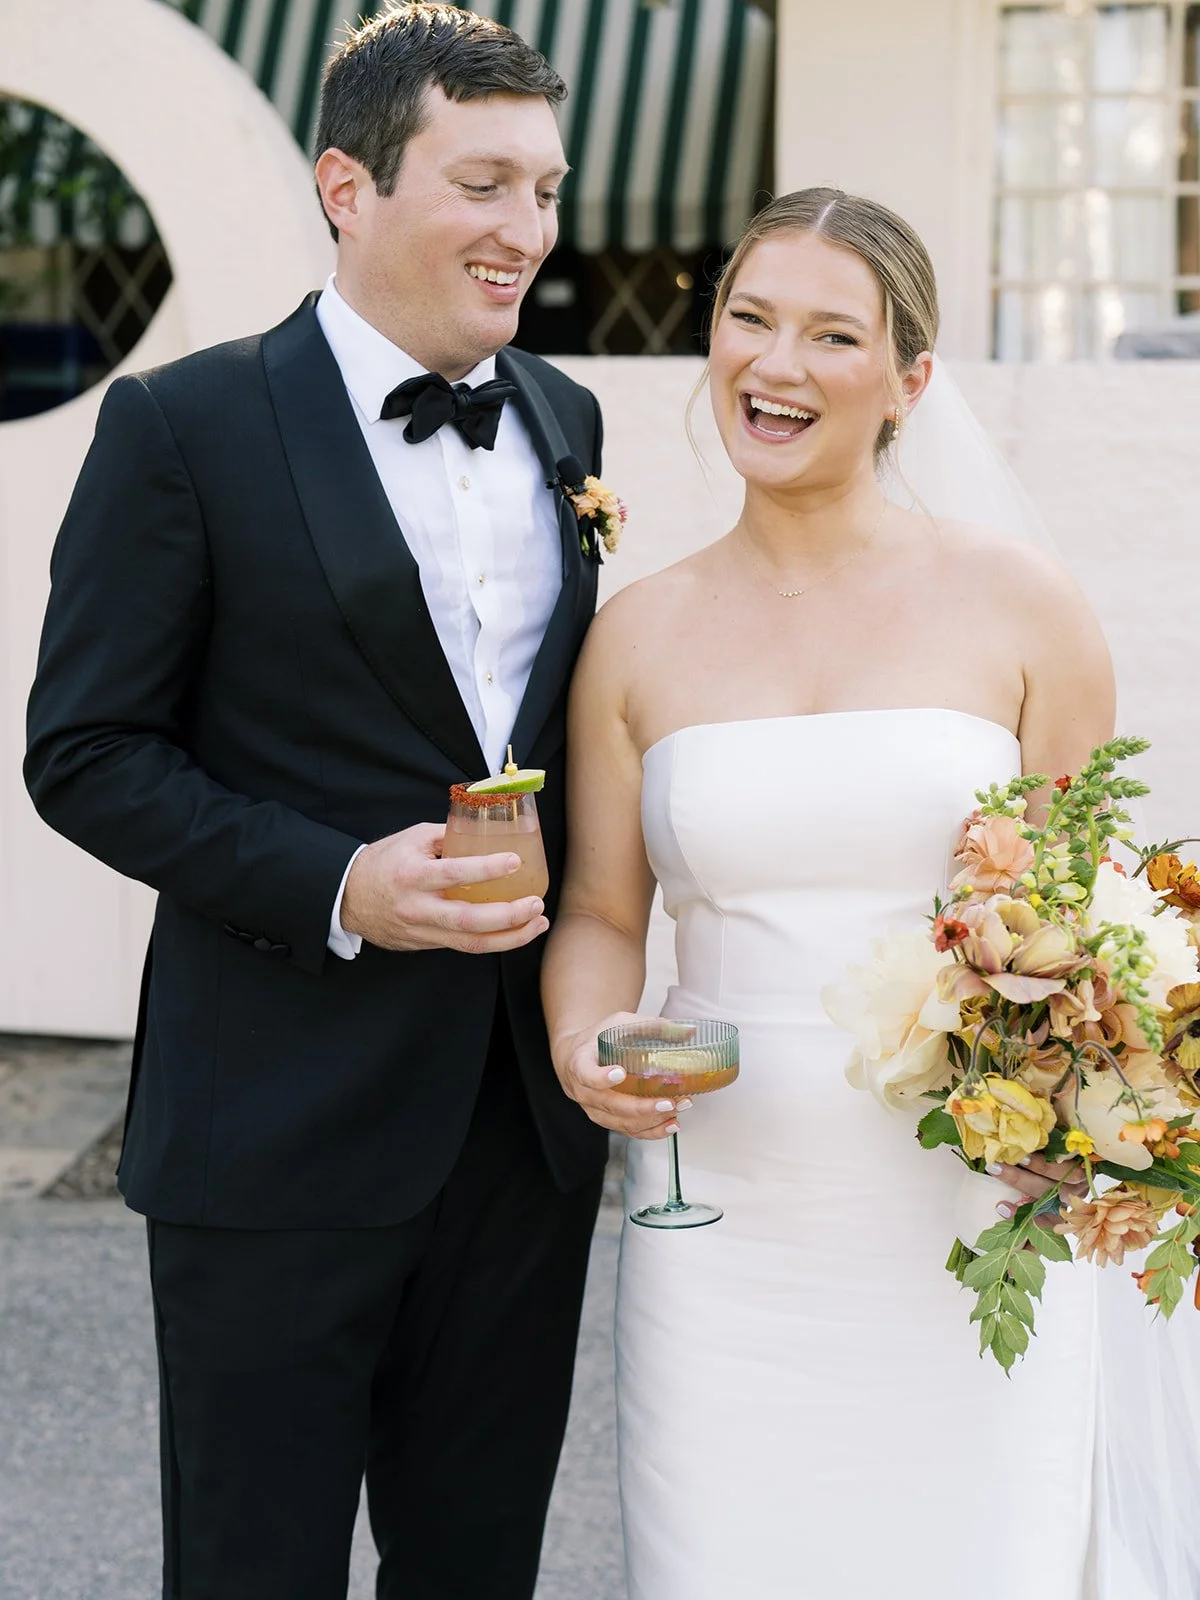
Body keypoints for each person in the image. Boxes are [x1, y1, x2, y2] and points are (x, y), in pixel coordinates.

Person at [24, 7, 608, 1598]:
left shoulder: (566, 420)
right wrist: (340, 883)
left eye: (546, 190)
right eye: (484, 183)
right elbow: (83, 754)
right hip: (271, 1125)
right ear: (349, 186)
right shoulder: (184, 428)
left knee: (478, 1566)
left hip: (516, 1135)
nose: (527, 231)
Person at [541, 188, 1116, 1598]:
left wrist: (1089, 1120)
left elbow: (1083, 927)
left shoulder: (1027, 609)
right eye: (747, 318)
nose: (774, 364)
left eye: (830, 335)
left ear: (910, 381)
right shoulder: (635, 636)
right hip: (721, 1232)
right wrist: (580, 1045)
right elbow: (605, 916)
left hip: (965, 1216)